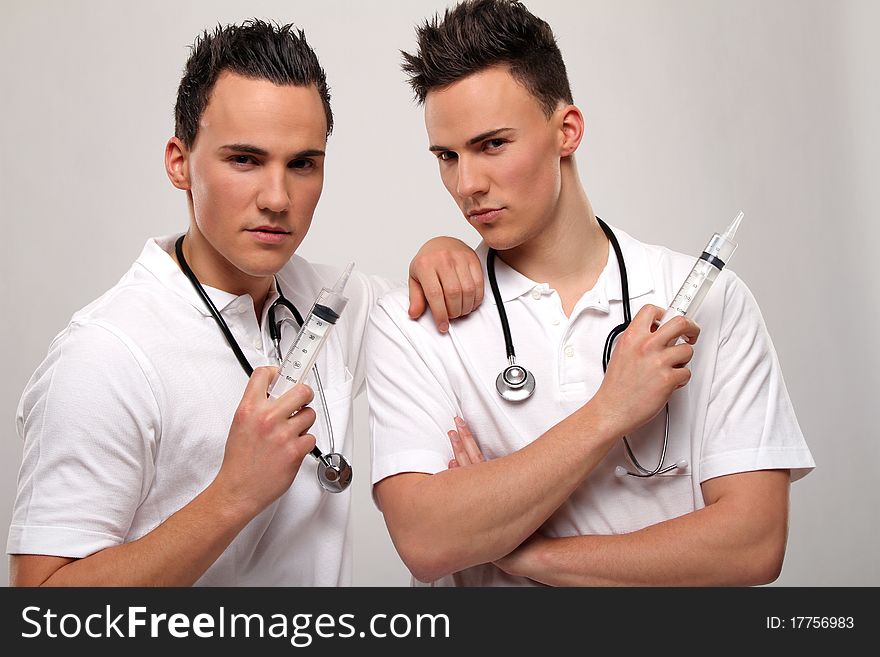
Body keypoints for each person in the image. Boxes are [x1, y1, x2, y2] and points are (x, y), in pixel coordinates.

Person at [7, 19, 484, 587]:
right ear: (179, 162)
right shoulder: (104, 356)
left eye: (302, 163)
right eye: (244, 160)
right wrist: (232, 496)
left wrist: (445, 248)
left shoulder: (336, 302)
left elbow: (428, 301)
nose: (278, 199)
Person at [366, 0, 815, 586]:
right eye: (447, 157)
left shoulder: (709, 299)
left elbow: (753, 544)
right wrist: (610, 411)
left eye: (493, 144)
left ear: (567, 131)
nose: (466, 184)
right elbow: (427, 540)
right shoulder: (416, 322)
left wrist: (524, 555)